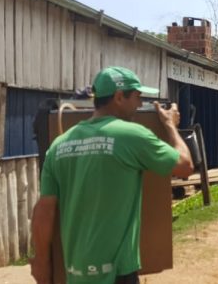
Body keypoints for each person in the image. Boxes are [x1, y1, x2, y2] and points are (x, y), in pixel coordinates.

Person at [29, 67, 195, 284]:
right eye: (137, 97)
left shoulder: (59, 145)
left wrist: (42, 263)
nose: (139, 104)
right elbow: (185, 165)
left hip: (75, 273)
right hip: (117, 274)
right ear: (118, 97)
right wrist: (170, 126)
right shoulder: (132, 135)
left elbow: (44, 211)